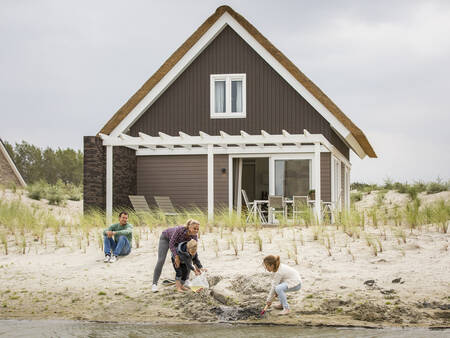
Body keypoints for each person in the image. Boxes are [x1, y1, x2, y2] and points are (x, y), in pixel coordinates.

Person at [151, 219, 200, 292]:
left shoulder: (194, 236)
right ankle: (154, 284)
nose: (196, 231)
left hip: (179, 243)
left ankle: (186, 280)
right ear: (189, 227)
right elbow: (171, 244)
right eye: (194, 228)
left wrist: (197, 266)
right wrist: (176, 257)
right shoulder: (180, 230)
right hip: (166, 238)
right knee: (161, 260)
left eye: (197, 229)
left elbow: (193, 252)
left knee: (188, 257)